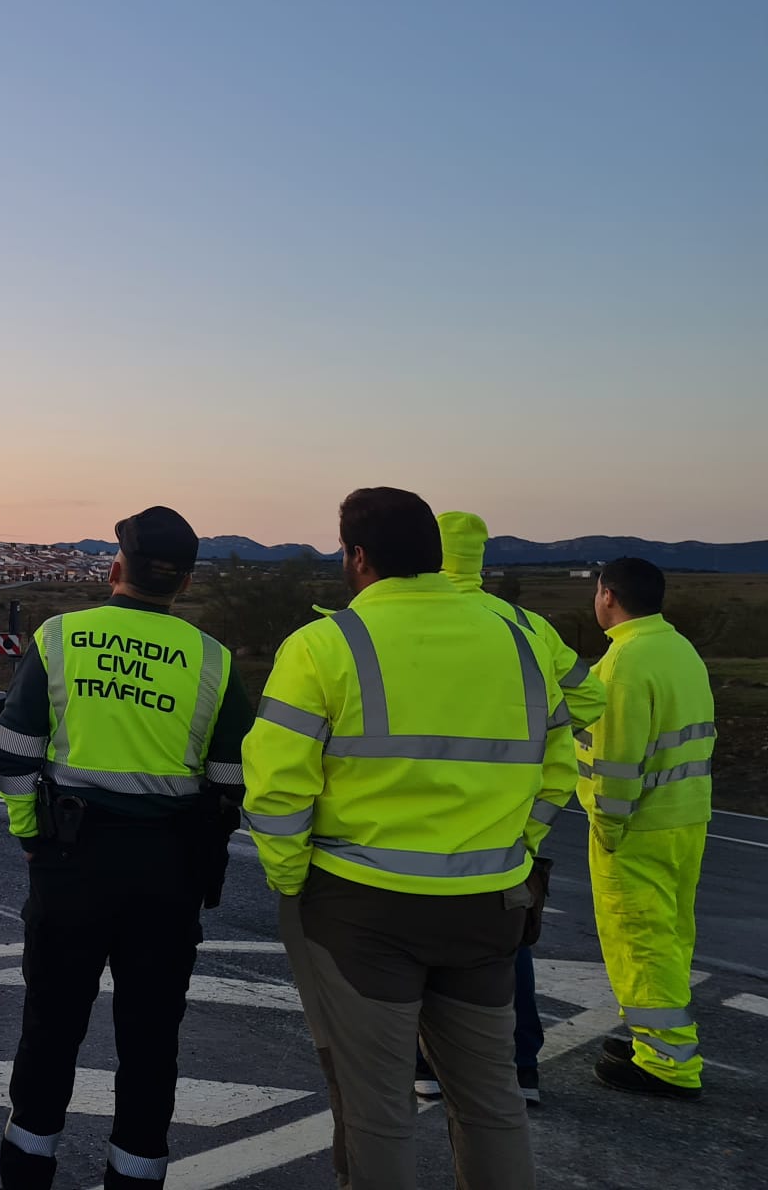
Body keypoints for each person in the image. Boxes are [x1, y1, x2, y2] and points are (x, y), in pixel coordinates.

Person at [243, 487, 576, 1190]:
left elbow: (275, 793)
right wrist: (513, 858)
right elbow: (557, 775)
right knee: (491, 1104)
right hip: (488, 906)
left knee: (377, 1110)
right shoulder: (521, 640)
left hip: (362, 910)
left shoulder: (325, 644)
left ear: (358, 557)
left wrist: (290, 879)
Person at [0, 506, 252, 1190]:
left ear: (115, 569)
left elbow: (14, 754)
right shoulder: (215, 662)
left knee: (49, 1031)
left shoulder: (59, 636)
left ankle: (26, 1175)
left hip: (71, 862)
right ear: (186, 583)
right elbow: (230, 783)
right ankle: (136, 1176)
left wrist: (31, 837)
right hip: (168, 873)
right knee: (150, 1042)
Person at [413, 511, 610, 1108]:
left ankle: (426, 1066)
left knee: (415, 943)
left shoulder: (405, 620)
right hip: (508, 820)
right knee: (504, 945)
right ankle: (522, 1067)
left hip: (423, 812)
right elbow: (591, 697)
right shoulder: (527, 626)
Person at [584, 556, 716, 1098]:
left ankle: (667, 1063)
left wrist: (608, 827)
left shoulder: (624, 664)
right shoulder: (677, 648)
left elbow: (617, 762)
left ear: (609, 596)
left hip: (637, 825)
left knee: (640, 939)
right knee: (671, 932)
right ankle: (657, 1040)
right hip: (687, 815)